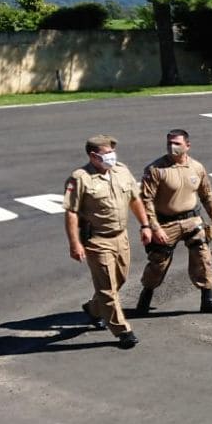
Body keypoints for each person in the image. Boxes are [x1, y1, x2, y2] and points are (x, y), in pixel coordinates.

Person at [63, 134, 146, 349]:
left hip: (121, 236)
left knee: (121, 278)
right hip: (97, 240)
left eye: (112, 152)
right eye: (107, 153)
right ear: (93, 156)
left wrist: (146, 225)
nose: (112, 156)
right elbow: (71, 212)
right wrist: (75, 244)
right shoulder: (80, 178)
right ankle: (122, 330)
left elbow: (135, 199)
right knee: (108, 287)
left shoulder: (121, 170)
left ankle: (93, 308)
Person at [134, 129, 212, 316]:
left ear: (187, 145)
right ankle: (144, 301)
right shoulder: (156, 169)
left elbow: (207, 195)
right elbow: (146, 201)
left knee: (203, 258)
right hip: (166, 224)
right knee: (158, 263)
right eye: (169, 142)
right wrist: (154, 227)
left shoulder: (197, 168)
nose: (172, 146)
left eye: (177, 143)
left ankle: (207, 300)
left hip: (193, 220)